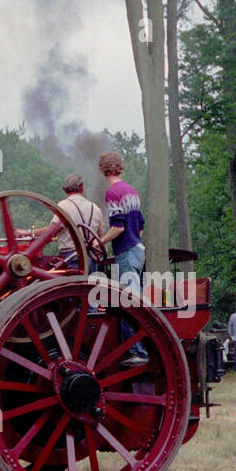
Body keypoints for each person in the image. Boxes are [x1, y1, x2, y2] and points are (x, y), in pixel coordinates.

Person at [97, 152, 148, 361]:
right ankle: (143, 347)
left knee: (129, 303)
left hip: (126, 251)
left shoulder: (112, 192)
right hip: (138, 250)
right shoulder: (132, 191)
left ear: (103, 170)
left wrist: (99, 241)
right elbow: (141, 225)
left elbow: (118, 227)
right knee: (138, 300)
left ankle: (137, 351)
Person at [45, 174, 108, 271]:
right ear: (82, 187)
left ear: (65, 189)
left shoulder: (63, 206)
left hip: (69, 257)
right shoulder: (95, 208)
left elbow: (51, 231)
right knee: (89, 285)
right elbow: (100, 237)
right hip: (91, 259)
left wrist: (27, 232)